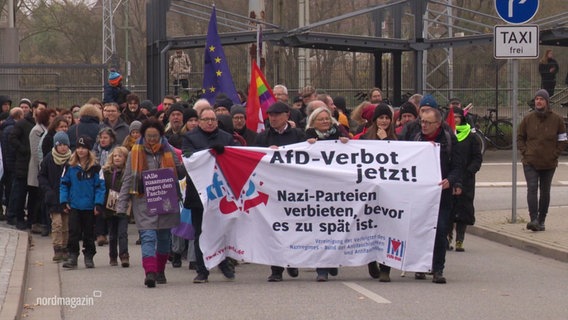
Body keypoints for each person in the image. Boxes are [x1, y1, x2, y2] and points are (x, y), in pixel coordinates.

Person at [116, 119, 185, 288]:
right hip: (143, 201)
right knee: (148, 236)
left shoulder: (169, 150)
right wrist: (121, 205)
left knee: (163, 237)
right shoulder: (134, 152)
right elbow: (127, 179)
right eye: (149, 136)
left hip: (166, 200)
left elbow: (180, 172)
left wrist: (188, 163)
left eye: (155, 136)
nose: (152, 139)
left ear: (161, 135)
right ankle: (150, 272)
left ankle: (160, 271)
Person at [182, 107, 240, 283]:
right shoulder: (189, 137)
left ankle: (223, 263)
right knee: (200, 231)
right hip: (199, 194)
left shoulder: (226, 137)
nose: (210, 122)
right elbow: (188, 158)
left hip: (221, 194)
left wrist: (226, 152)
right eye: (206, 119)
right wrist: (208, 153)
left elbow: (236, 156)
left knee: (222, 230)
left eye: (213, 120)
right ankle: (202, 270)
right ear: (199, 121)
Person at [254, 102, 306, 282]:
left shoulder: (298, 135)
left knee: (293, 226)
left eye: (277, 115)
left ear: (287, 115)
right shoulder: (262, 138)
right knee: (274, 228)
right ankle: (276, 269)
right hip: (271, 190)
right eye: (270, 115)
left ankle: (292, 261)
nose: (273, 118)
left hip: (293, 189)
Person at [413, 108, 463, 284]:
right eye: (422, 122)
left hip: (442, 194)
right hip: (420, 195)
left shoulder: (449, 140)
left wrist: (451, 180)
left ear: (438, 124)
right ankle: (419, 266)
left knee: (440, 230)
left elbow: (458, 166)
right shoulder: (416, 139)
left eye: (427, 122)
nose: (424, 125)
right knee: (420, 229)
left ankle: (438, 269)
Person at [305, 106, 348, 281]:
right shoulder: (306, 137)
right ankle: (321, 269)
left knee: (335, 228)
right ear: (313, 122)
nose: (324, 122)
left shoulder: (339, 133)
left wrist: (347, 143)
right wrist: (308, 146)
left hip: (337, 191)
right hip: (316, 191)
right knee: (320, 230)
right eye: (321, 119)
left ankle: (332, 262)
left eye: (327, 119)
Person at [517, 89, 567, 232]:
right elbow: (520, 137)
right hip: (530, 161)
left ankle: (542, 220)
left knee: (545, 191)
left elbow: (563, 140)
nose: (538, 101)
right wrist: (525, 152)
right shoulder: (528, 119)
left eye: (541, 99)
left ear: (547, 102)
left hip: (548, 163)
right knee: (532, 188)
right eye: (537, 99)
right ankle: (533, 219)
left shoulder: (557, 119)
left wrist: (555, 154)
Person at [359, 103, 397, 281]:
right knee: (370, 228)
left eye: (387, 118)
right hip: (369, 192)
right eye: (381, 118)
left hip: (388, 193)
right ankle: (371, 259)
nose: (384, 121)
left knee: (387, 228)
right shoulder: (365, 137)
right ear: (375, 120)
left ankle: (385, 268)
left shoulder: (397, 139)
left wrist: (385, 142)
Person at [60, 136, 106, 269]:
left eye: (83, 148)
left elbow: (100, 187)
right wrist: (64, 201)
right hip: (74, 204)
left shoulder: (96, 167)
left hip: (89, 206)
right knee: (73, 231)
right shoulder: (70, 166)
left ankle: (89, 256)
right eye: (78, 148)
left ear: (88, 150)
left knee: (89, 233)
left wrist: (98, 204)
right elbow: (64, 184)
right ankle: (72, 255)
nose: (80, 150)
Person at [449, 107, 482, 251]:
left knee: (463, 210)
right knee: (449, 210)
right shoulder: (447, 135)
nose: (455, 119)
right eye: (453, 117)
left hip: (466, 178)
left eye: (457, 117)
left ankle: (460, 240)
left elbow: (477, 157)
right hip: (450, 178)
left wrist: (470, 171)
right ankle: (447, 238)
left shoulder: (471, 136)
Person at [38, 131, 72, 262]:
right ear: (55, 145)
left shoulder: (72, 159)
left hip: (67, 198)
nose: (63, 147)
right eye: (60, 145)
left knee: (66, 225)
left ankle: (65, 247)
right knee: (56, 224)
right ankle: (57, 248)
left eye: (65, 145)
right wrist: (47, 190)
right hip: (53, 197)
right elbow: (42, 176)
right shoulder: (49, 158)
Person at [102, 146, 130, 267]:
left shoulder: (127, 172)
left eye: (120, 156)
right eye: (115, 156)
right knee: (112, 233)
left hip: (123, 205)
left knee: (122, 232)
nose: (117, 158)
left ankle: (124, 255)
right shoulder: (106, 172)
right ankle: (112, 256)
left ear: (125, 158)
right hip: (110, 205)